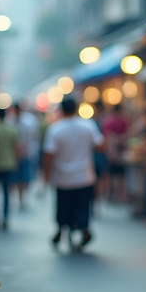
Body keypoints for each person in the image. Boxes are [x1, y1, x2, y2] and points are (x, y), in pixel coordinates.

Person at [43, 97, 105, 251]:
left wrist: (46, 175)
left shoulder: (55, 128)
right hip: (85, 176)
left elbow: (49, 154)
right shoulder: (88, 125)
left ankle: (61, 230)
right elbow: (100, 146)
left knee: (63, 207)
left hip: (63, 178)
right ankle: (84, 230)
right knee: (83, 207)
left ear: (61, 110)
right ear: (77, 108)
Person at [0, 107, 20, 230]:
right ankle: (5, 219)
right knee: (7, 193)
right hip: (8, 165)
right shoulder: (12, 129)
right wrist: (16, 162)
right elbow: (16, 148)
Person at [102, 103, 129, 202]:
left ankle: (117, 195)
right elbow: (108, 137)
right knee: (112, 174)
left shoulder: (122, 121)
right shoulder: (110, 121)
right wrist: (111, 152)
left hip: (120, 151)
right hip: (114, 151)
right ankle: (113, 194)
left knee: (118, 174)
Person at [15, 102, 40, 206]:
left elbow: (33, 137)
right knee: (19, 177)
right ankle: (20, 196)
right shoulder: (11, 120)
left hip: (27, 154)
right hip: (17, 155)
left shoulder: (29, 121)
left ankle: (23, 195)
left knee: (26, 177)